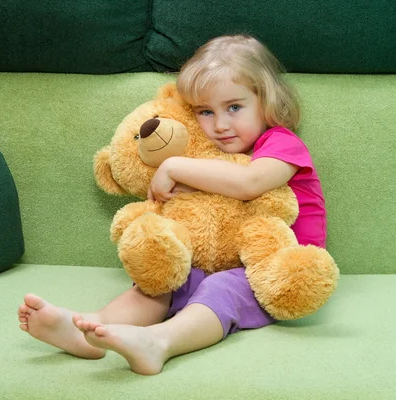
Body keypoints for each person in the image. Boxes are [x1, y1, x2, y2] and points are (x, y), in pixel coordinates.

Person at [17, 34, 327, 375]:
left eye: (234, 107)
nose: (220, 125)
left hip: (272, 271)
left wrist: (173, 166)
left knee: (222, 288)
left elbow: (248, 183)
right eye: (205, 112)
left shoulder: (283, 143)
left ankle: (161, 342)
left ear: (266, 101)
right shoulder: (214, 150)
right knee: (164, 280)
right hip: (219, 261)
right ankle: (88, 327)